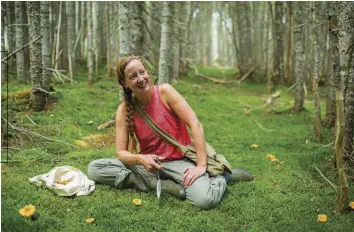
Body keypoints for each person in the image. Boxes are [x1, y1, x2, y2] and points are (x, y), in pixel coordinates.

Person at [88, 56, 253, 209]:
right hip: (150, 165)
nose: (141, 78)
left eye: (142, 72)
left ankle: (220, 176)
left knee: (206, 199)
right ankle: (164, 185)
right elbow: (120, 153)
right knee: (95, 168)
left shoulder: (165, 92)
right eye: (133, 76)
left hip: (179, 161)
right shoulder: (124, 110)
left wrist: (201, 165)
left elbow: (195, 124)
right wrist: (140, 158)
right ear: (125, 83)